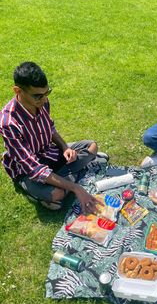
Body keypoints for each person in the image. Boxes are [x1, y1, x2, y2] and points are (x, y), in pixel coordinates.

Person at [0, 62, 108, 212]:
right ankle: (64, 180)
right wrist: (76, 188)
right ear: (18, 90)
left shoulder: (42, 101)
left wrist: (64, 147)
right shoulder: (8, 123)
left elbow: (50, 128)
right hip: (26, 170)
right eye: (38, 95)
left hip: (48, 152)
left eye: (46, 93)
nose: (44, 99)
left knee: (92, 146)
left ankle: (63, 179)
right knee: (56, 194)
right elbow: (33, 168)